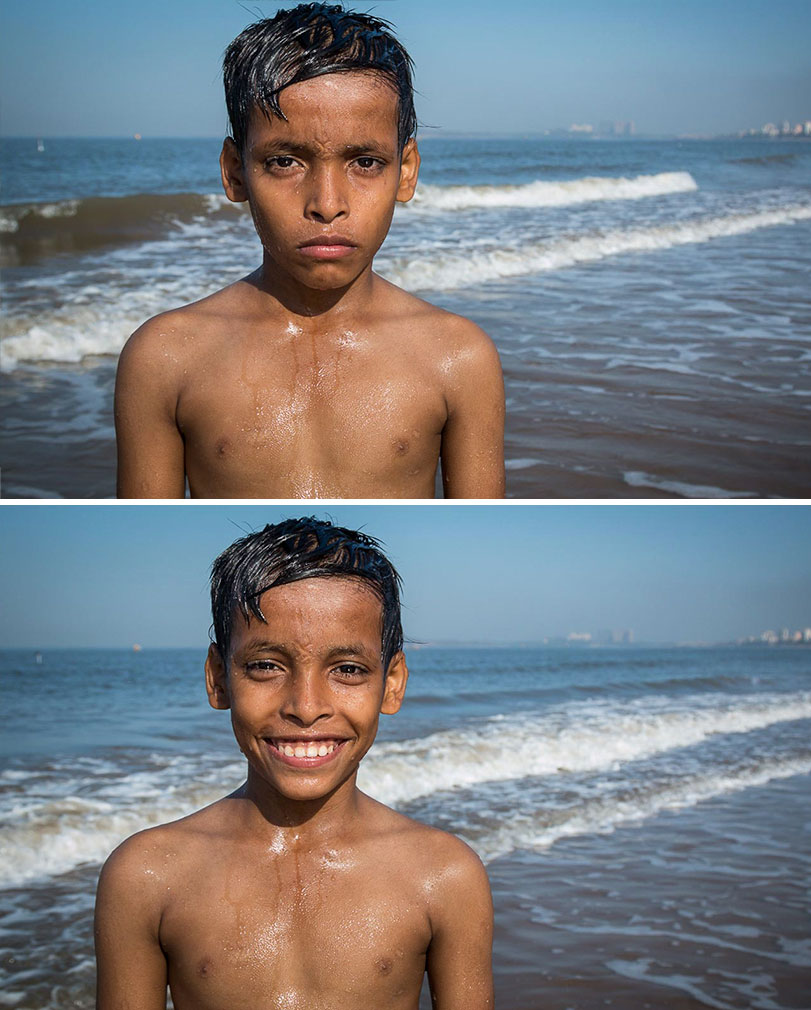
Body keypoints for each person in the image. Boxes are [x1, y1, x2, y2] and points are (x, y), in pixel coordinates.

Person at [94, 516, 494, 1009]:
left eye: (348, 669)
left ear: (392, 684)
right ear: (219, 678)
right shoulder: (147, 875)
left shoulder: (444, 876)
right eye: (266, 666)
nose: (306, 707)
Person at [114, 4, 505, 499]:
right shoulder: (166, 357)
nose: (327, 204)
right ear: (235, 172)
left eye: (365, 161)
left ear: (405, 171)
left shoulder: (458, 358)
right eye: (284, 161)